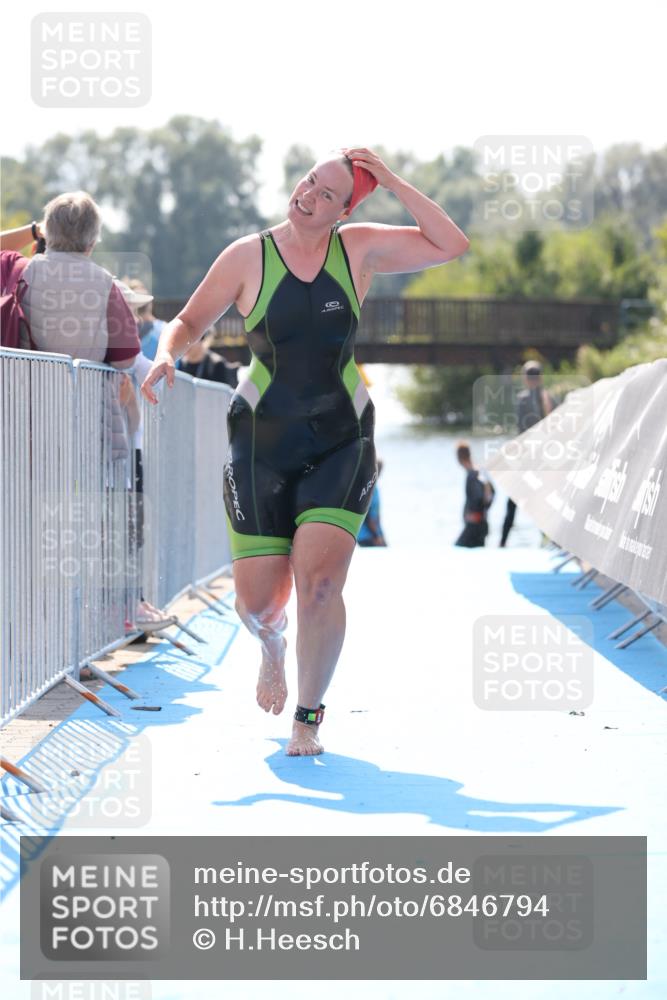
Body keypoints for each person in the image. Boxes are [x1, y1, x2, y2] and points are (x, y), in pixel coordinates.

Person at [141, 146, 470, 755]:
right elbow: (187, 322)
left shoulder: (359, 249)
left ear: (343, 210)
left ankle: (308, 718)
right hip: (261, 442)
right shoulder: (247, 256)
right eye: (308, 182)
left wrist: (393, 179)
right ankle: (273, 645)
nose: (308, 195)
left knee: (320, 585)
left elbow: (450, 243)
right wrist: (164, 353)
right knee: (257, 602)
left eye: (325, 194)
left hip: (342, 439)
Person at [0, 193, 140, 369]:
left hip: (20, 390)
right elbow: (125, 360)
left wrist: (33, 230)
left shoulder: (17, 269)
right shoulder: (106, 284)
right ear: (93, 241)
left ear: (46, 232)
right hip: (81, 394)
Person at [499, 360, 555, 547]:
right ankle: (549, 542)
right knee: (544, 502)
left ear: (526, 379)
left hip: (526, 459)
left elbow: (522, 432)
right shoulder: (550, 399)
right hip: (544, 460)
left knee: (513, 502)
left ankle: (502, 543)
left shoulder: (523, 399)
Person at [455, 441, 494, 548]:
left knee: (458, 547)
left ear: (459, 458)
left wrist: (474, 513)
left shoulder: (473, 474)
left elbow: (479, 496)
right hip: (481, 524)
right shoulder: (479, 471)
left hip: (475, 525)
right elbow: (491, 494)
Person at [357, 459, 387, 547]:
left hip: (372, 533)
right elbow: (367, 515)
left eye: (381, 469)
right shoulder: (369, 487)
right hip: (367, 535)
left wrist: (380, 535)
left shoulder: (374, 487)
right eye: (378, 469)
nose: (379, 472)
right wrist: (376, 536)